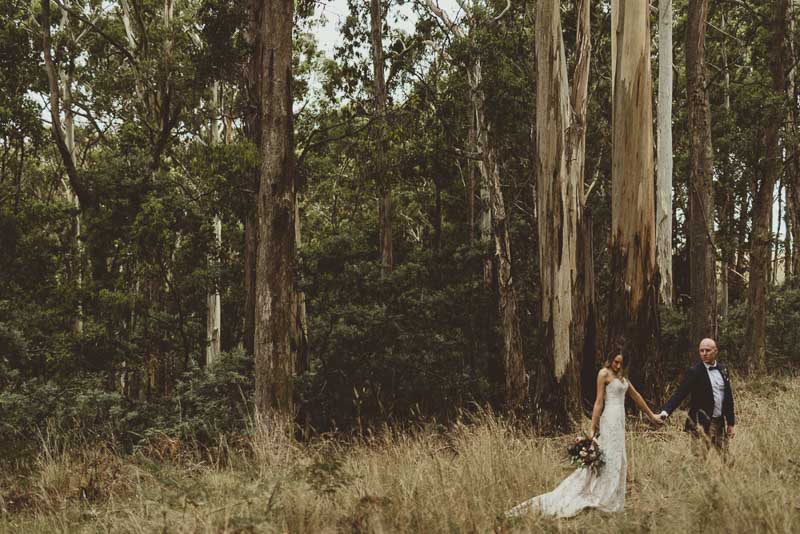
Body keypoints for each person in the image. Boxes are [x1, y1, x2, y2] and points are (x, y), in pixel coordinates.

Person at [507, 353, 662, 518]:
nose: (617, 366)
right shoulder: (604, 373)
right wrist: (592, 428)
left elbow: (636, 396)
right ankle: (600, 496)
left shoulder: (623, 376)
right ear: (610, 359)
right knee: (608, 457)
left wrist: (652, 416)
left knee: (619, 458)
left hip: (620, 422)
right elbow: (599, 402)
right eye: (616, 362)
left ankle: (613, 498)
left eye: (621, 363)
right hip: (609, 420)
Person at [659, 338, 736, 456]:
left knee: (727, 459)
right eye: (701, 351)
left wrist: (730, 423)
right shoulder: (694, 372)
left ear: (715, 351)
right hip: (700, 424)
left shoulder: (723, 369)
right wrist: (665, 412)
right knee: (699, 462)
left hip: (719, 423)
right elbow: (680, 393)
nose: (704, 353)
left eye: (707, 350)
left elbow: (728, 398)